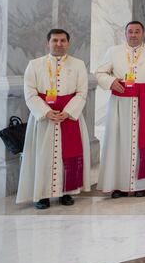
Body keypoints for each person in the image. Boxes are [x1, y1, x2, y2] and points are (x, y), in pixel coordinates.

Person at [17, 29, 91, 209]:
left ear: (68, 43)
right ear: (47, 43)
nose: (59, 44)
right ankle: (42, 195)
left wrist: (68, 112)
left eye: (63, 40)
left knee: (70, 155)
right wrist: (45, 112)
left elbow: (82, 92)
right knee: (42, 156)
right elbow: (30, 93)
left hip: (69, 117)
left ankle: (67, 192)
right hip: (44, 119)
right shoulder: (34, 65)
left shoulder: (79, 64)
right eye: (55, 40)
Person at [95, 21, 145, 198]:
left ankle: (142, 185)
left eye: (137, 31)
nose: (133, 35)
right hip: (120, 104)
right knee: (118, 143)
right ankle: (118, 185)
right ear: (125, 33)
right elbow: (100, 73)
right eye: (130, 31)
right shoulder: (114, 51)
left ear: (143, 33)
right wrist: (111, 82)